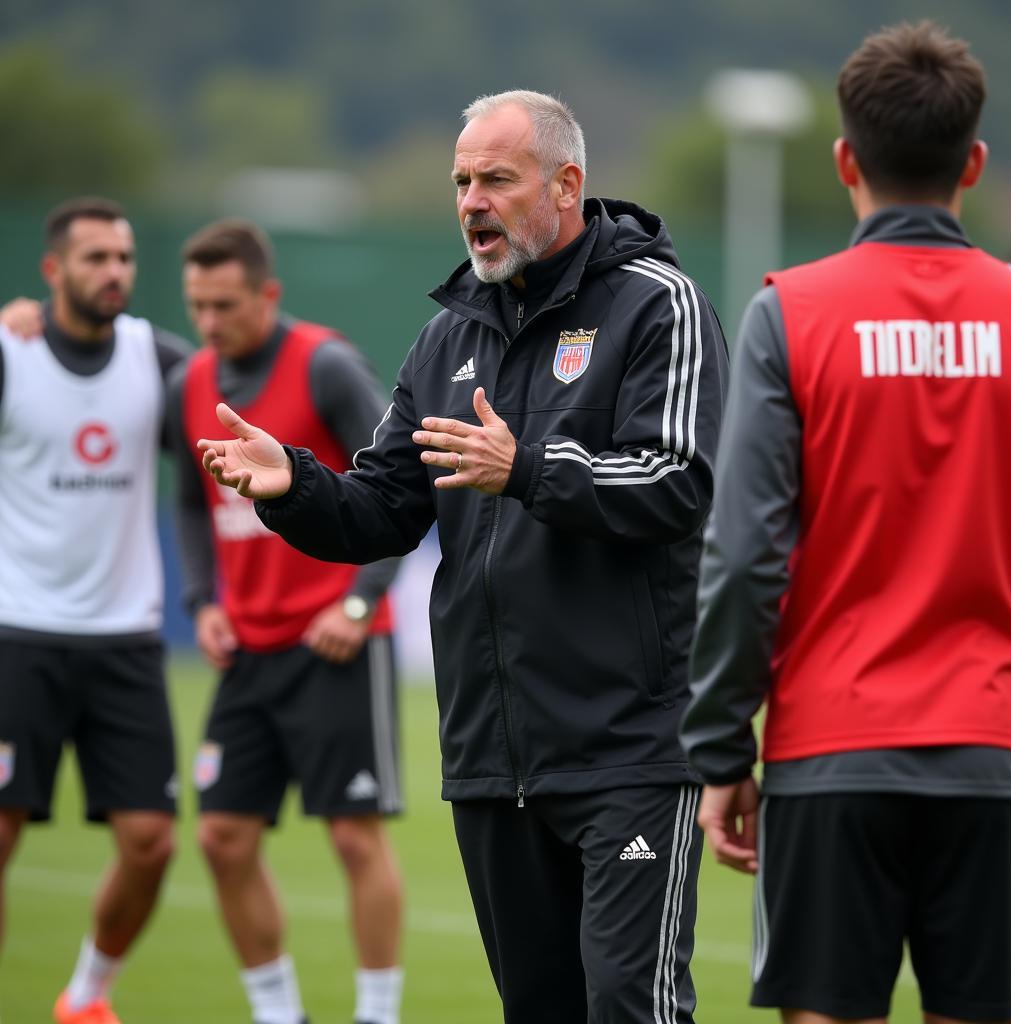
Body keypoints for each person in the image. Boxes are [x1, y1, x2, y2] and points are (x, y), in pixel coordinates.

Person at [196, 90, 728, 1024]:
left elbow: (679, 482)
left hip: (628, 749)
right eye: (461, 182)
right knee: (541, 1009)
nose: (472, 201)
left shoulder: (658, 305)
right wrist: (294, 485)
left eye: (496, 179)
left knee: (629, 1007)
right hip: (492, 754)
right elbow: (384, 511)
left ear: (566, 185)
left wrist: (526, 469)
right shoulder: (452, 333)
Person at [682, 21, 1011, 1024]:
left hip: (829, 749)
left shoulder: (789, 314)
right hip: (995, 748)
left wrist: (717, 750)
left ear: (843, 160)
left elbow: (743, 557)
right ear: (973, 163)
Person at [169, 219, 404, 1024]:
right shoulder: (190, 381)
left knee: (353, 840)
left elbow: (396, 487)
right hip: (248, 649)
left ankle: (376, 1015)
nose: (208, 322)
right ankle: (280, 1016)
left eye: (225, 304)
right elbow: (190, 507)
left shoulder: (327, 365)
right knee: (222, 838)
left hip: (334, 641)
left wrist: (359, 600)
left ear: (267, 294)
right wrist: (203, 604)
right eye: (196, 305)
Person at [0, 197, 191, 1024]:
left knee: (151, 842)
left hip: (125, 639)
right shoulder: (10, 355)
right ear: (53, 271)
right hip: (17, 634)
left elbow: (236, 383)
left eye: (123, 257)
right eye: (95, 258)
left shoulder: (157, 357)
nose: (114, 272)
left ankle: (86, 996)